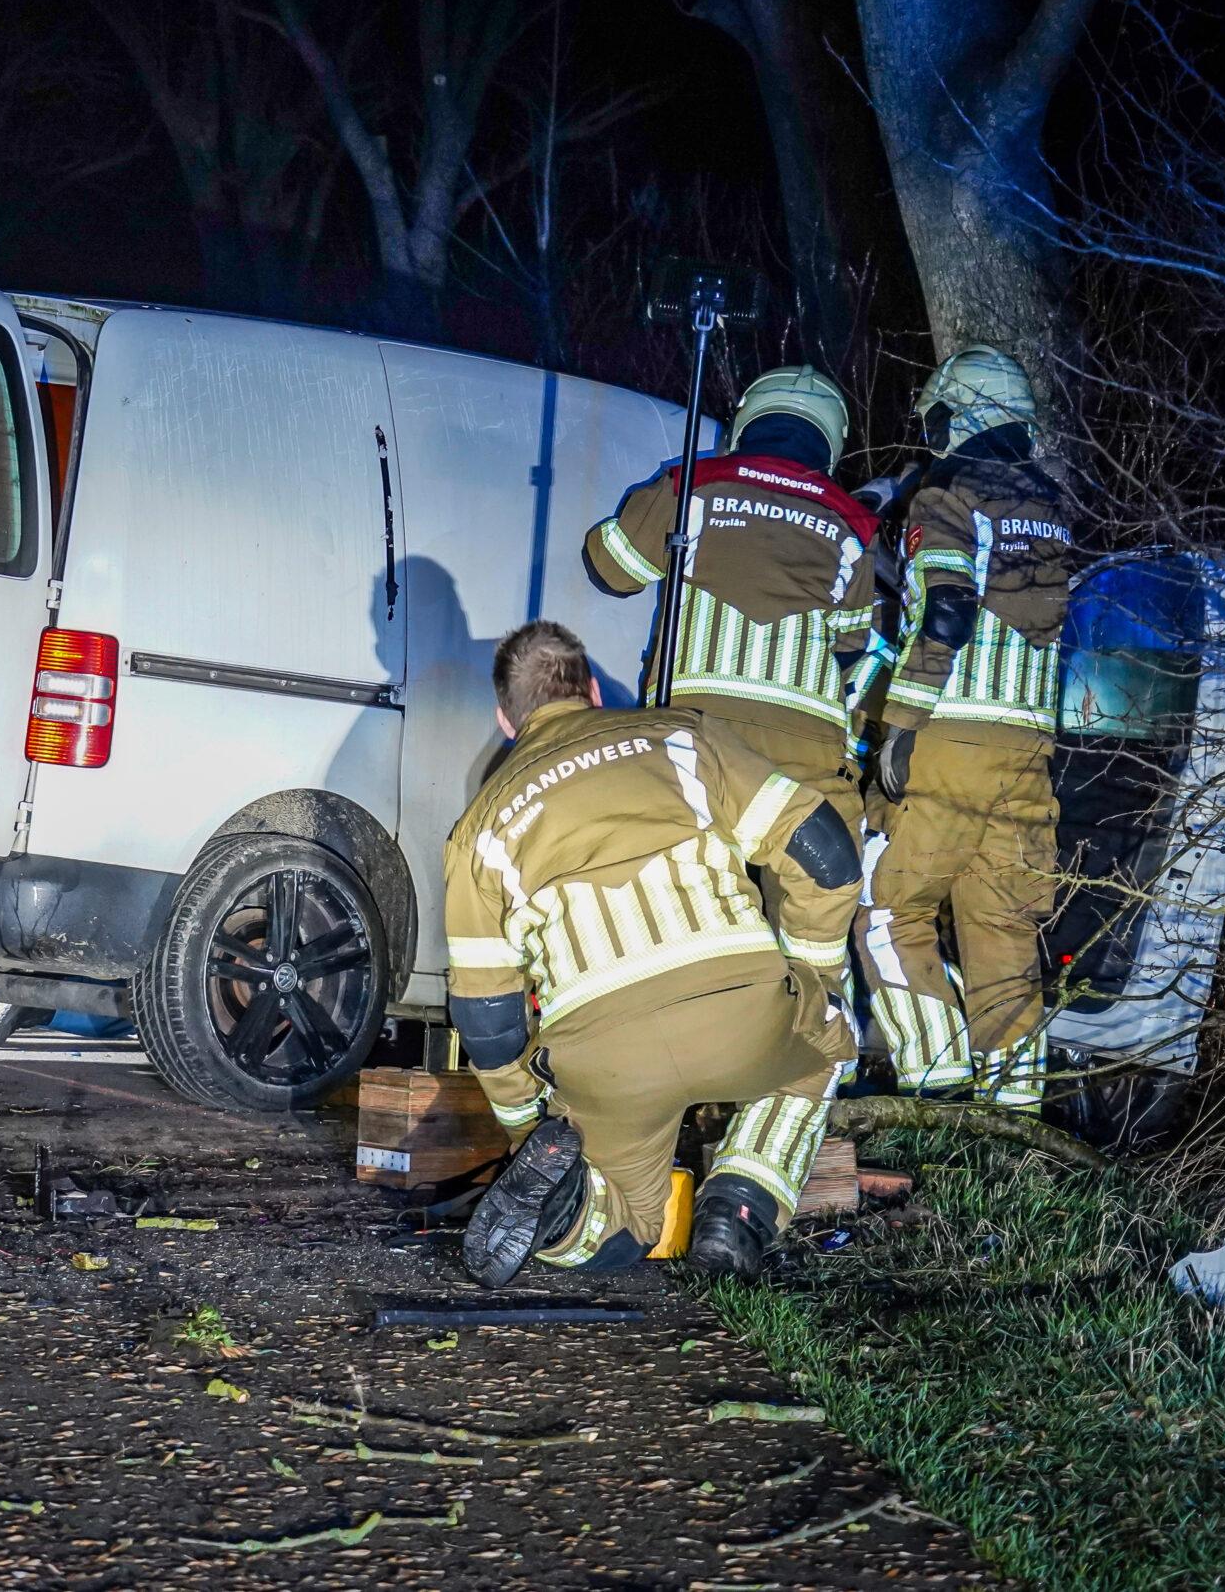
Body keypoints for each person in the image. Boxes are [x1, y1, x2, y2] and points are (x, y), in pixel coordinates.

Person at [446, 621, 860, 1284]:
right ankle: (739, 1211)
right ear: (593, 691)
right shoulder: (682, 738)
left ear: (506, 719)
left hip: (605, 1056)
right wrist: (811, 976)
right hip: (740, 1014)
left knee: (625, 1226)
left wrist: (528, 1124)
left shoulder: (479, 829)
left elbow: (486, 1021)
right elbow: (827, 852)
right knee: (829, 1041)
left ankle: (566, 1210)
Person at [578, 364, 875, 1254]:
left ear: (746, 421)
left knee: (654, 966)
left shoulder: (692, 486)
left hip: (690, 776)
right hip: (807, 803)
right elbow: (854, 650)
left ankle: (604, 1190)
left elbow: (608, 566)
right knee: (815, 998)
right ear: (829, 441)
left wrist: (666, 507)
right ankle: (741, 1202)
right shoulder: (852, 524)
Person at [861, 346, 1075, 1108]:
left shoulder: (948, 492)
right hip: (1029, 751)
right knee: (1003, 928)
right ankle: (1015, 1117)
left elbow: (946, 610)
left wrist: (901, 724)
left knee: (887, 909)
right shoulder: (1053, 509)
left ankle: (938, 1086)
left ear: (960, 416)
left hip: (951, 734)